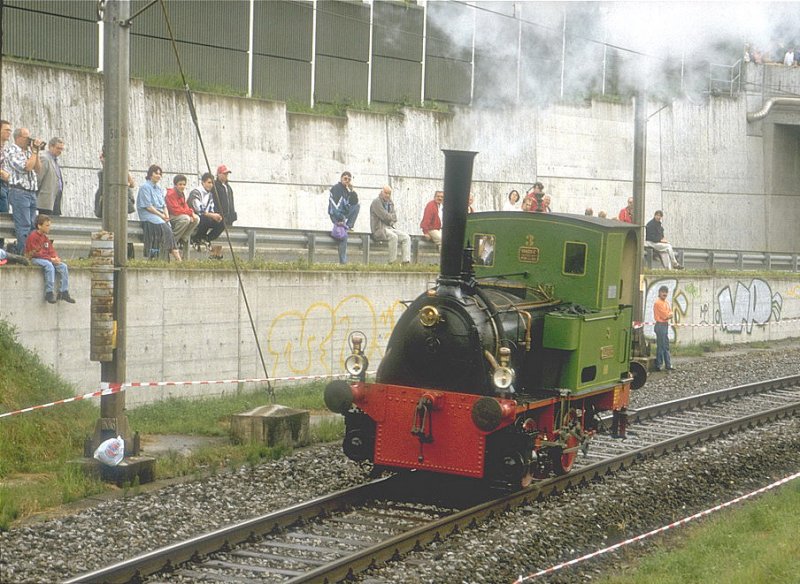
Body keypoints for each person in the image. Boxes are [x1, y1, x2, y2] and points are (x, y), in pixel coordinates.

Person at [3, 128, 43, 253]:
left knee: (32, 226)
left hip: (31, 192)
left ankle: (31, 253)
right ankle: (23, 254)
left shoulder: (29, 152)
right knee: (24, 226)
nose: (29, 140)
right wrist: (34, 152)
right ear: (18, 138)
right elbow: (27, 167)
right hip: (19, 192)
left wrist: (36, 152)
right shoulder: (11, 151)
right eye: (26, 137)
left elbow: (38, 169)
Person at [24, 214, 75, 304]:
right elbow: (36, 253)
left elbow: (51, 250)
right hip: (34, 258)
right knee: (49, 266)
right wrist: (51, 259)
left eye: (49, 225)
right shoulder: (33, 236)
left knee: (63, 266)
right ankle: (49, 292)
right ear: (39, 226)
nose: (49, 227)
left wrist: (55, 257)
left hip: (46, 258)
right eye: (47, 225)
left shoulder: (45, 238)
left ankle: (63, 291)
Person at [137, 164, 182, 261]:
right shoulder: (145, 187)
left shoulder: (159, 189)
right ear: (150, 174)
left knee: (167, 230)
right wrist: (161, 215)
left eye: (160, 174)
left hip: (160, 216)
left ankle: (171, 256)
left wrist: (166, 215)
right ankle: (177, 257)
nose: (158, 175)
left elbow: (164, 205)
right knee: (166, 230)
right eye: (156, 173)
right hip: (149, 216)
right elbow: (148, 206)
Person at [370, 185, 410, 264]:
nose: (387, 195)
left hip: (389, 228)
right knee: (393, 237)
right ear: (382, 192)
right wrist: (390, 217)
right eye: (386, 193)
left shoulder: (390, 202)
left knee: (406, 237)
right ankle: (392, 262)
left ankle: (406, 261)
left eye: (389, 193)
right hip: (379, 229)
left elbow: (395, 218)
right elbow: (384, 216)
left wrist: (390, 218)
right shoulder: (376, 202)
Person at [93, 147, 136, 219]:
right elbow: (104, 188)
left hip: (119, 199)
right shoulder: (102, 172)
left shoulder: (121, 168)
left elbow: (132, 184)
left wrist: (124, 185)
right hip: (108, 200)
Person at [188, 172, 225, 252]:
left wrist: (216, 216)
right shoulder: (196, 192)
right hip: (193, 216)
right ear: (203, 182)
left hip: (205, 216)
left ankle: (206, 238)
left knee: (222, 222)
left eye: (212, 183)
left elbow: (211, 208)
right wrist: (212, 215)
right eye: (209, 182)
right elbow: (198, 208)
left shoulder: (210, 194)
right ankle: (195, 239)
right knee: (206, 218)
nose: (211, 185)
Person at [166, 174, 199, 249]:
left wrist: (191, 214)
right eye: (180, 184)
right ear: (175, 185)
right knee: (186, 219)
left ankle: (183, 238)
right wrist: (189, 213)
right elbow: (175, 210)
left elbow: (185, 206)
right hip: (171, 216)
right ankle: (173, 241)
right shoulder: (171, 194)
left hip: (179, 215)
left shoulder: (181, 193)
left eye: (184, 184)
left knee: (196, 219)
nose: (182, 186)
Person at [36, 137, 65, 216]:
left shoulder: (54, 160)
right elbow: (39, 178)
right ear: (50, 147)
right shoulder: (45, 158)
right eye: (58, 148)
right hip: (45, 200)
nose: (60, 151)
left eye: (61, 149)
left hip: (55, 198)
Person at [653, 285, 674, 371]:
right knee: (661, 346)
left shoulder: (666, 303)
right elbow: (665, 315)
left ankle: (668, 365)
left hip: (664, 325)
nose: (664, 294)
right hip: (660, 325)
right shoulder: (658, 303)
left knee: (666, 345)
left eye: (666, 292)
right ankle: (659, 365)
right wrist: (669, 315)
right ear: (659, 293)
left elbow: (670, 312)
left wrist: (669, 314)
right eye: (663, 292)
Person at [0, 119, 12, 250]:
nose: (9, 132)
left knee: (4, 216)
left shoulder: (5, 149)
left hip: (6, 185)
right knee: (2, 217)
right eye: (6, 130)